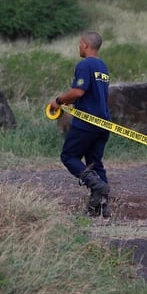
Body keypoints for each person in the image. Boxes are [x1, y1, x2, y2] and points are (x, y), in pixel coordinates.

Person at [50, 31, 112, 218]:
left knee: (69, 156)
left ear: (85, 44)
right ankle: (101, 206)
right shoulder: (103, 67)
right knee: (94, 162)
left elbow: (78, 92)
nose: (79, 46)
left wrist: (59, 101)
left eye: (79, 43)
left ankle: (96, 185)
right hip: (104, 123)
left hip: (87, 121)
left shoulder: (85, 65)